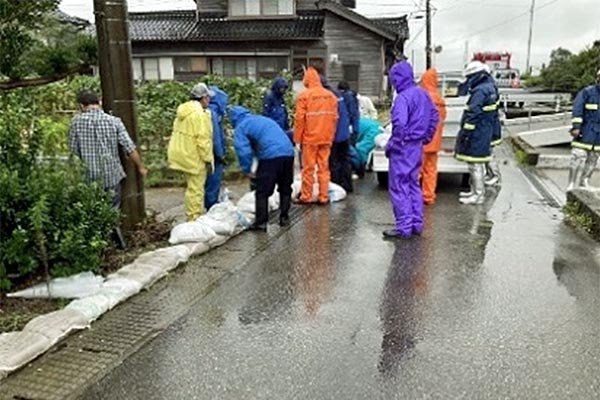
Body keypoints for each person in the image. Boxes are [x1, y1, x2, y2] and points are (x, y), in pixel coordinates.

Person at [383, 61, 438, 239]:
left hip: (404, 147)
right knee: (413, 184)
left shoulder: (403, 98)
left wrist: (394, 144)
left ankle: (404, 227)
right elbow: (434, 116)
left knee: (399, 185)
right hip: (416, 146)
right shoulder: (423, 94)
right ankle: (416, 223)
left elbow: (399, 124)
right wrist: (426, 137)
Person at [68, 90, 148, 210]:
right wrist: (141, 167)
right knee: (112, 210)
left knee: (92, 210)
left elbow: (73, 151)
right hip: (111, 175)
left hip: (89, 176)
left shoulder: (76, 123)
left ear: (81, 105)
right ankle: (112, 228)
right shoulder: (114, 121)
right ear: (99, 102)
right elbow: (129, 147)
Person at [229, 106, 295, 231]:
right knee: (285, 187)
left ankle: (261, 222)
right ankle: (284, 218)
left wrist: (247, 170)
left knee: (262, 191)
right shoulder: (262, 119)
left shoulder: (241, 127)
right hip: (288, 152)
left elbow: (243, 152)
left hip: (270, 156)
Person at [168, 83, 214, 221]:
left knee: (191, 187)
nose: (209, 101)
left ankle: (192, 216)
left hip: (181, 154)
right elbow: (203, 141)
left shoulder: (183, 111)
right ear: (203, 98)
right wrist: (208, 159)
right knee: (196, 190)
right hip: (193, 156)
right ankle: (194, 219)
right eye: (208, 97)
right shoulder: (200, 115)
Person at [454, 61, 498, 205]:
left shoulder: (480, 91)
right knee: (479, 162)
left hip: (477, 132)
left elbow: (473, 112)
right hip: (485, 129)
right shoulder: (490, 87)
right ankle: (475, 192)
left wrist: (466, 132)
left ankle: (478, 195)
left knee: (475, 163)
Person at [293, 66, 338, 205]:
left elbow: (299, 119)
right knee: (324, 168)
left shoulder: (304, 96)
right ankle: (323, 197)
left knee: (308, 169)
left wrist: (297, 139)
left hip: (310, 138)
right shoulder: (331, 96)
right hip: (326, 138)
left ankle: (306, 196)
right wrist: (331, 135)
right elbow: (335, 118)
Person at [567, 68, 600, 191]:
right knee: (577, 157)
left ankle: (584, 182)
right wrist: (576, 127)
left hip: (598, 134)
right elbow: (578, 109)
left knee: (593, 159)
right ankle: (571, 183)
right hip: (585, 130)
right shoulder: (587, 92)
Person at [420, 68, 447, 205]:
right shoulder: (440, 100)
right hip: (435, 142)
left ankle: (412, 196)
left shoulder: (422, 98)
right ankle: (428, 196)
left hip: (421, 142)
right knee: (431, 170)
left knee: (415, 170)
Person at [322, 75, 353, 193]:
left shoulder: (327, 96)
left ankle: (335, 187)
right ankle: (348, 185)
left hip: (334, 134)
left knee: (333, 162)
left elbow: (328, 117)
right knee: (345, 160)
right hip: (344, 133)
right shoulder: (338, 94)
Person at [204, 86, 229, 211]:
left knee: (207, 182)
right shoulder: (214, 114)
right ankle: (212, 207)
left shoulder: (207, 111)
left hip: (206, 152)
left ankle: (210, 205)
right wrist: (221, 154)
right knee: (213, 182)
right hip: (214, 155)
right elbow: (216, 137)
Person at [263, 77, 291, 142]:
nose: (283, 90)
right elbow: (266, 113)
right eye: (282, 88)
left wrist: (287, 126)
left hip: (282, 127)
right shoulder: (269, 97)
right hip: (273, 128)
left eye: (284, 88)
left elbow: (284, 112)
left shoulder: (281, 98)